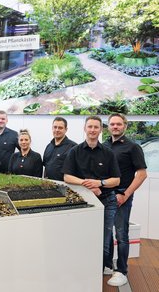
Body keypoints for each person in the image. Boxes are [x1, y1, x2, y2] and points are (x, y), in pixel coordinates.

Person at [62, 115, 120, 274]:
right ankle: (83, 269)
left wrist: (99, 183)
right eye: (90, 127)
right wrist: (86, 183)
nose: (93, 130)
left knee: (104, 237)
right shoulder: (74, 151)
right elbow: (67, 176)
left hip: (107, 201)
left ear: (101, 130)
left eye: (96, 127)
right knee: (82, 235)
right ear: (85, 129)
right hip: (83, 200)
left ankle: (98, 271)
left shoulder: (108, 153)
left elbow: (116, 180)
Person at [103, 113, 147, 287]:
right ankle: (107, 265)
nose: (115, 127)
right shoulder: (103, 146)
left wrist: (125, 195)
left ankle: (121, 270)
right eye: (112, 124)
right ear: (108, 127)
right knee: (106, 234)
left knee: (121, 234)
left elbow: (142, 174)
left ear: (125, 126)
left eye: (118, 124)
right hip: (105, 197)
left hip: (122, 196)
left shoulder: (132, 147)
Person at [43, 117, 77, 181]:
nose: (57, 130)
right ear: (52, 128)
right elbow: (46, 166)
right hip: (49, 185)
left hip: (66, 186)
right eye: (55, 127)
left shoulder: (73, 147)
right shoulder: (48, 146)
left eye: (60, 128)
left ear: (66, 129)